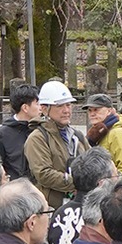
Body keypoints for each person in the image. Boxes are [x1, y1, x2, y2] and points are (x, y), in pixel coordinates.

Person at [26, 80, 84, 212]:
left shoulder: (76, 135)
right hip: (51, 208)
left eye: (68, 105)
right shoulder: (37, 138)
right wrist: (77, 183)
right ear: (44, 109)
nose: (66, 110)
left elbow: (90, 161)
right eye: (60, 106)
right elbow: (44, 174)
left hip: (80, 205)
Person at [51, 148, 119, 244]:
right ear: (101, 183)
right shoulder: (102, 216)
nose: (118, 181)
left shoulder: (59, 213)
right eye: (116, 175)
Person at [0, 82, 41, 180]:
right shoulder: (0, 135)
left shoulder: (40, 130)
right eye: (37, 104)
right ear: (25, 108)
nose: (41, 108)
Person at [86, 93, 122, 177]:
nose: (92, 114)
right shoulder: (97, 133)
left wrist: (112, 184)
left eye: (96, 110)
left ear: (109, 111)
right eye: (90, 110)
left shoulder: (118, 133)